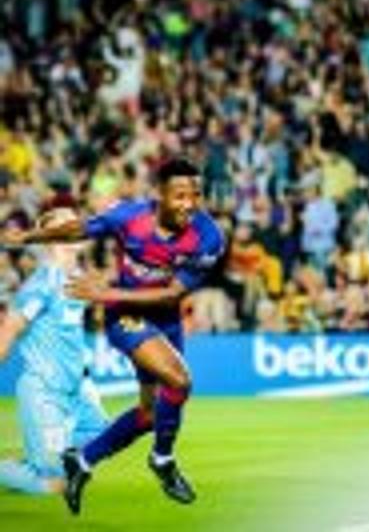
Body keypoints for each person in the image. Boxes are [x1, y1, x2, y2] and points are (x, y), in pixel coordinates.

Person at [0, 157, 226, 514]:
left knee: (151, 415)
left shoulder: (208, 237)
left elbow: (173, 294)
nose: (189, 204)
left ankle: (82, 461)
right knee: (179, 380)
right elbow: (79, 228)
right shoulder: (129, 216)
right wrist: (28, 236)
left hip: (163, 316)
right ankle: (163, 461)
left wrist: (105, 292)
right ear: (161, 194)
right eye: (180, 195)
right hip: (127, 315)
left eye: (195, 195)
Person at [0, 206, 107, 495]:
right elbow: (10, 328)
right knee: (58, 482)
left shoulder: (78, 277)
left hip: (76, 389)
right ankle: (31, 469)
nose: (77, 226)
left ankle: (33, 464)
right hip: (44, 390)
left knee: (103, 439)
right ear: (50, 237)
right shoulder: (41, 285)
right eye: (67, 223)